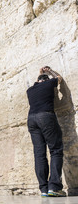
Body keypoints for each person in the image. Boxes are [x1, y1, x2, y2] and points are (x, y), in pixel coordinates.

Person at [26, 66, 66, 197]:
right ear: (46, 79)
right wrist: (50, 71)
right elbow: (59, 78)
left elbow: (37, 84)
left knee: (39, 154)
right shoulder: (49, 83)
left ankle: (43, 189)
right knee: (55, 150)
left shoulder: (30, 90)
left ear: (37, 81)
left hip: (31, 120)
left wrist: (40, 74)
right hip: (46, 117)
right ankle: (54, 187)